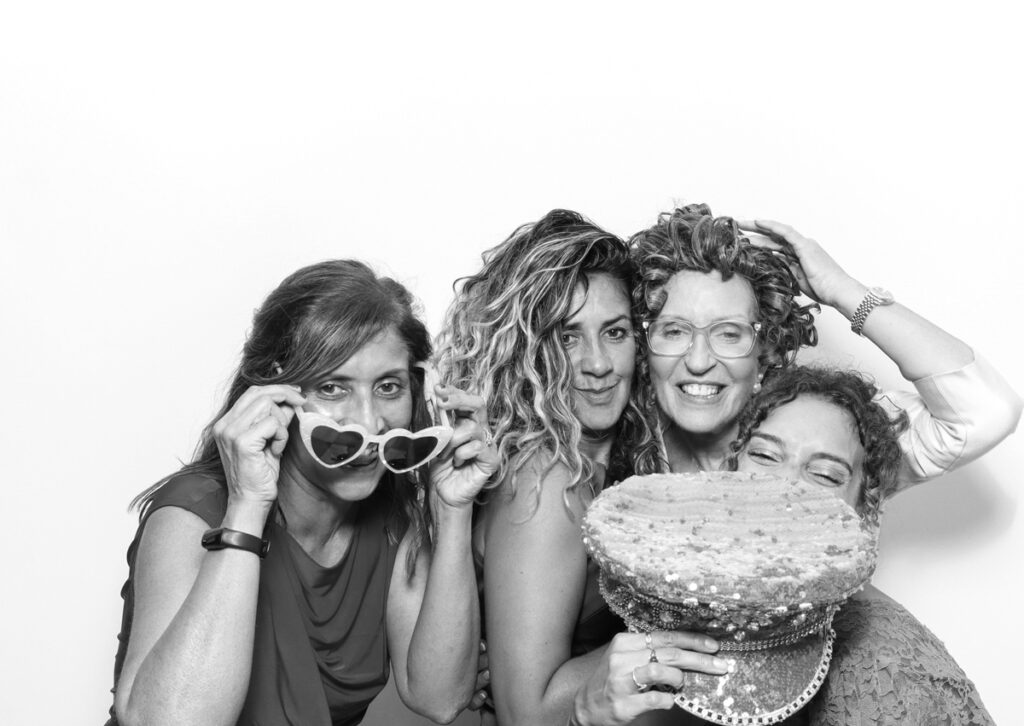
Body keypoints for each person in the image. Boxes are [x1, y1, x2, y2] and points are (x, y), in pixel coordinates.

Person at [106, 260, 496, 726]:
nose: (369, 421)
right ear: (275, 393)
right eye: (333, 388)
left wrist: (452, 509)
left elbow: (440, 698)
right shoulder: (192, 512)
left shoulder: (393, 519)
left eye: (389, 387)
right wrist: (248, 507)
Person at [436, 210, 727, 726]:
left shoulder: (623, 458)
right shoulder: (547, 481)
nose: (598, 363)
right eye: (568, 337)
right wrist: (668, 644)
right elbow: (525, 713)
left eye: (614, 332)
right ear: (529, 351)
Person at [729, 364, 995, 725]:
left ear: (862, 512)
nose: (785, 487)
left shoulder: (881, 671)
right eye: (764, 456)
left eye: (824, 474)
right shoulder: (703, 608)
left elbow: (989, 410)